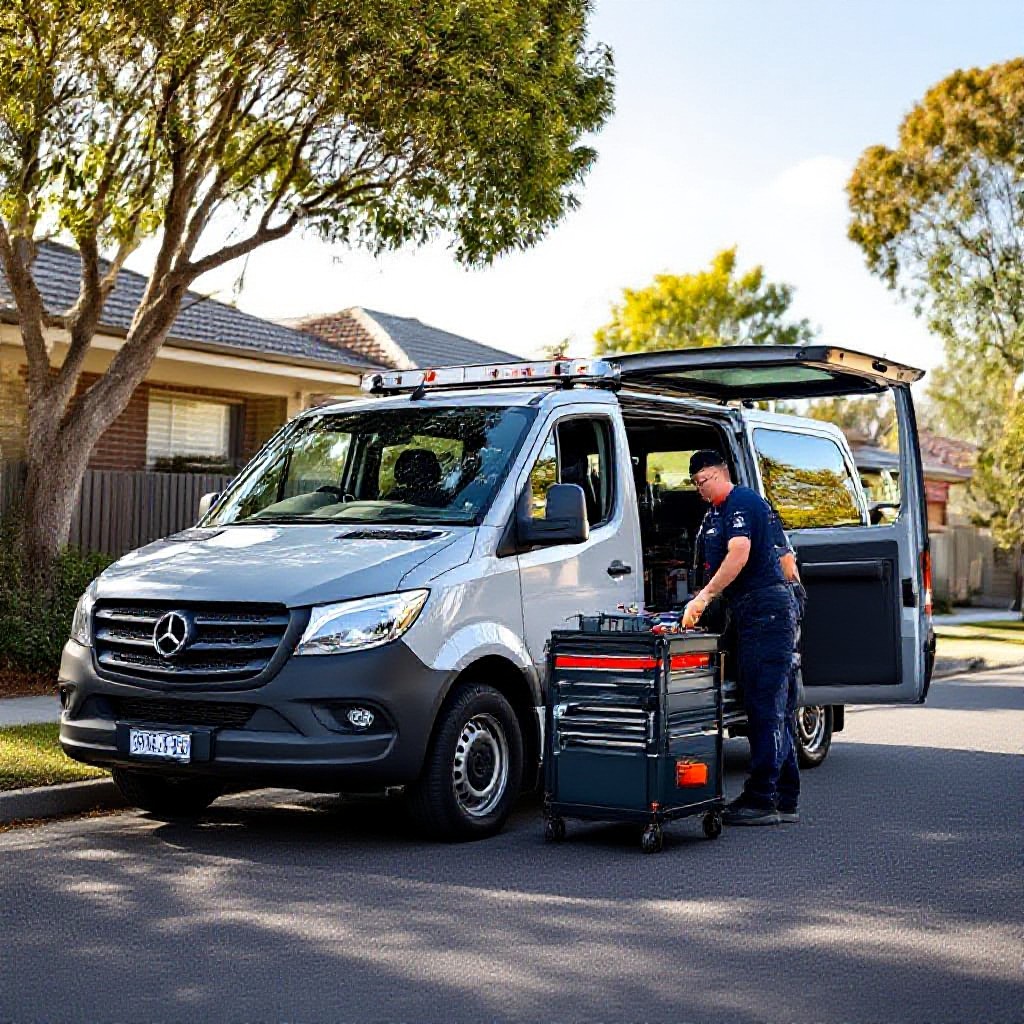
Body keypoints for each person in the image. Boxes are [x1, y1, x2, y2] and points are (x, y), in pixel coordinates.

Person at [682, 450, 797, 826]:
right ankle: (785, 796)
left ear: (719, 474)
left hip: (767, 612)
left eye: (703, 482)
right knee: (775, 708)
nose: (700, 490)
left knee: (765, 707)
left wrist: (704, 598)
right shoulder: (714, 513)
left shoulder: (742, 501)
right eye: (696, 484)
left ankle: (761, 798)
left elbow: (740, 553)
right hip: (753, 613)